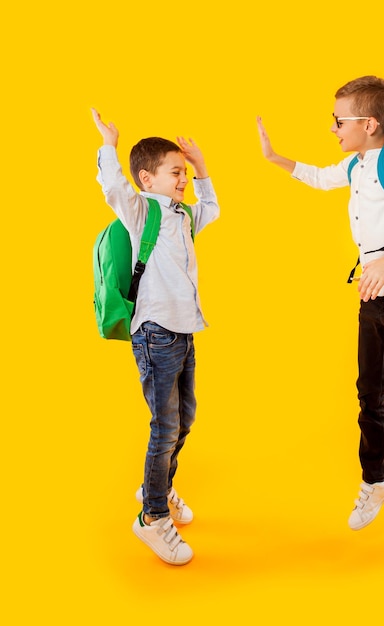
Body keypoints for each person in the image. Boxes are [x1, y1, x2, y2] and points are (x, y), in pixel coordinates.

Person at [257, 76, 384, 529]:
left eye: (338, 120)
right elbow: (322, 177)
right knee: (369, 393)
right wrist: (275, 159)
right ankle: (378, 478)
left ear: (368, 124)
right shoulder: (360, 163)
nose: (333, 128)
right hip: (371, 294)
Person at [92, 109, 220, 564]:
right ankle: (152, 516)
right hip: (156, 333)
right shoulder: (142, 210)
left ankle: (155, 486)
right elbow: (113, 189)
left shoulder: (184, 215)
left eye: (184, 173)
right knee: (164, 426)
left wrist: (202, 167)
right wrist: (109, 144)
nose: (183, 178)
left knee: (184, 419)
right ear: (147, 179)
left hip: (184, 332)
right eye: (176, 172)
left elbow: (214, 208)